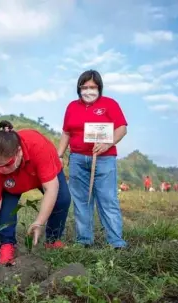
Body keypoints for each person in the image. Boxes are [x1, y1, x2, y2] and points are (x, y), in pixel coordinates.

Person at [0, 121, 71, 265]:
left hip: (43, 170)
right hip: (14, 183)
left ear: (19, 152)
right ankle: (7, 243)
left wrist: (39, 222)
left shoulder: (38, 147)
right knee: (6, 210)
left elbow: (51, 189)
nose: (1, 170)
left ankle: (52, 241)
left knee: (62, 200)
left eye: (7, 164)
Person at [57, 69, 127, 249]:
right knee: (81, 200)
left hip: (104, 159)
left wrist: (107, 144)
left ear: (99, 88)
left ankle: (116, 241)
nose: (88, 90)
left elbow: (121, 128)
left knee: (107, 198)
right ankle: (84, 240)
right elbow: (66, 132)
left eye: (93, 87)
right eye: (85, 87)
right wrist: (59, 155)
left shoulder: (109, 104)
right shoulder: (72, 106)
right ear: (79, 88)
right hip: (78, 159)